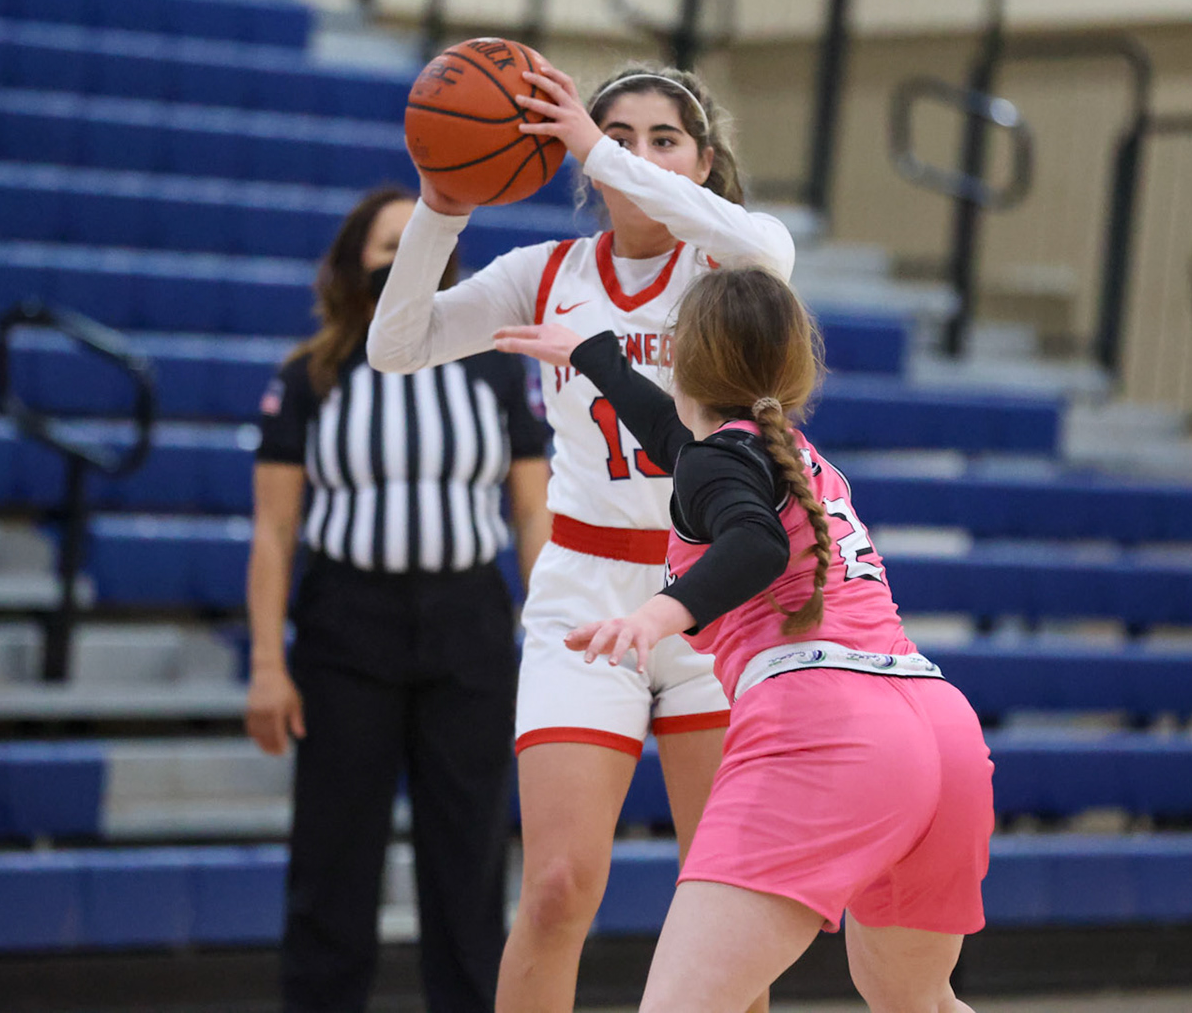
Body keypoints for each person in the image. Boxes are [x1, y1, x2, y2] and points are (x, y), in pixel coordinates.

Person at [368, 59, 796, 1012]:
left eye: (664, 140)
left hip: (712, 602)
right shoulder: (545, 273)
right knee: (560, 889)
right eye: (615, 139)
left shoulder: (729, 267)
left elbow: (768, 250)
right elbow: (394, 348)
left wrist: (598, 143)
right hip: (583, 594)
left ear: (704, 161)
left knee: (723, 905)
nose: (638, 155)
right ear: (577, 165)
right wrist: (442, 206)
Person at [492, 265, 992, 1013]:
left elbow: (752, 544)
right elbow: (671, 433)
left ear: (684, 360)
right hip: (939, 728)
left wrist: (657, 615)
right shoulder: (791, 456)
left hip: (832, 728)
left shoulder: (721, 463)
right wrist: (592, 355)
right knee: (917, 1001)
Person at [245, 185, 552, 1013]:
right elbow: (274, 533)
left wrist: (551, 634)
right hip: (347, 631)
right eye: (384, 247)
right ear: (352, 264)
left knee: (471, 860)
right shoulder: (309, 374)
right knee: (333, 861)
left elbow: (532, 509)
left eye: (414, 246)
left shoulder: (492, 368)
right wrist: (268, 667)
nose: (397, 261)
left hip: (469, 630)